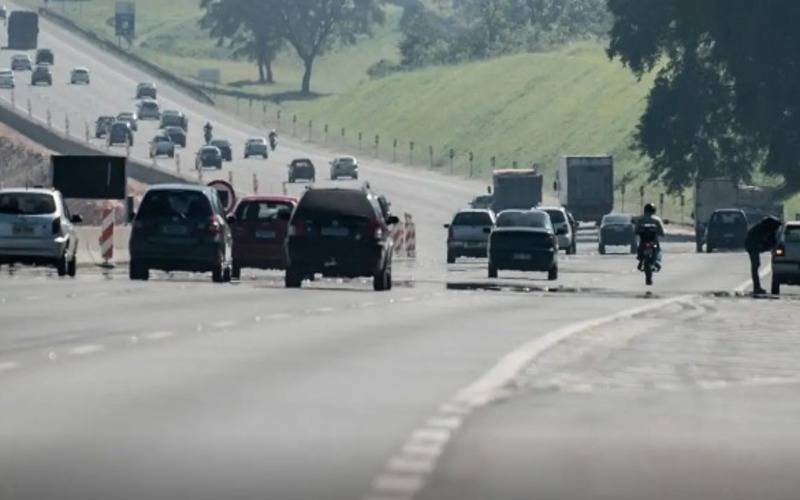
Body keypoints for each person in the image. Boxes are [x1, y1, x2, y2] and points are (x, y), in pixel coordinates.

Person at [744, 215, 782, 295]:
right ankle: (756, 287)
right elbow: (772, 242)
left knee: (756, 266)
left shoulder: (765, 227)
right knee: (755, 265)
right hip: (752, 245)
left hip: (753, 244)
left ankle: (757, 286)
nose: (777, 230)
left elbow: (771, 242)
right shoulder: (764, 229)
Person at [636, 203, 665, 271]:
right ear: (654, 211)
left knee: (641, 247)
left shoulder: (640, 219)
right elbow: (662, 232)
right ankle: (656, 260)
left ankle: (641, 259)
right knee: (658, 249)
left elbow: (636, 230)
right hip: (652, 240)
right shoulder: (657, 219)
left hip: (644, 240)